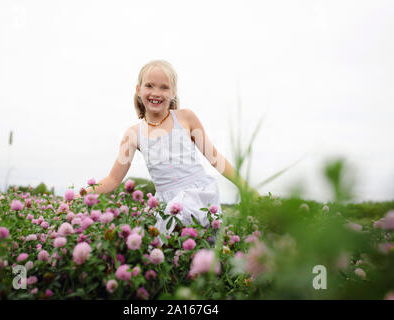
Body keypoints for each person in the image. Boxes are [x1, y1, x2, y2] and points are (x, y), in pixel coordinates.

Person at [71, 59, 260, 237]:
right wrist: (77, 197)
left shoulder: (186, 118)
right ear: (138, 89)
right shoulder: (133, 134)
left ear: (173, 93)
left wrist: (247, 189)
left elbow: (215, 158)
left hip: (200, 195)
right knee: (174, 253)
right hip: (167, 202)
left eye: (164, 87)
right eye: (149, 86)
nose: (156, 93)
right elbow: (112, 180)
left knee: (207, 251)